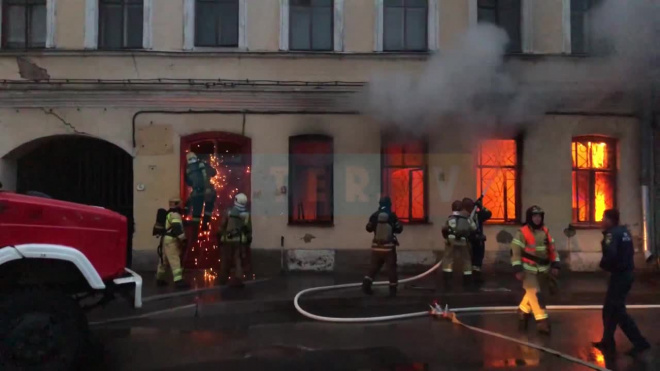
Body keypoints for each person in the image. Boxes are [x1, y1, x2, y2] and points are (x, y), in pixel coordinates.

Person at [593, 209, 650, 357]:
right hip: (626, 274)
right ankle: (607, 341)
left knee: (618, 311)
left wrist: (603, 266)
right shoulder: (624, 232)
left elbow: (611, 255)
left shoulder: (611, 234)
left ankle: (640, 342)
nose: (601, 221)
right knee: (609, 309)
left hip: (619, 275)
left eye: (603, 218)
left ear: (610, 220)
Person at [510, 206, 560, 334]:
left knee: (532, 294)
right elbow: (515, 252)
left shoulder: (545, 231)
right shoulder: (522, 232)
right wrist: (517, 269)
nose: (537, 219)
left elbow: (552, 249)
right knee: (536, 295)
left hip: (543, 270)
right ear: (529, 218)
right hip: (528, 270)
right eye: (534, 216)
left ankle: (523, 310)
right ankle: (542, 322)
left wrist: (555, 265)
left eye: (539, 216)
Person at [362, 196, 403, 297]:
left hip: (376, 247)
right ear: (389, 204)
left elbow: (368, 228)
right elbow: (399, 229)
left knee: (373, 267)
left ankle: (366, 285)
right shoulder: (392, 216)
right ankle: (392, 291)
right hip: (388, 248)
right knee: (391, 268)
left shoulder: (374, 216)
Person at [218, 193, 252, 287]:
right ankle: (238, 279)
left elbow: (222, 225)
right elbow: (248, 229)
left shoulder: (228, 212)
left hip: (227, 240)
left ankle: (223, 279)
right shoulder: (246, 214)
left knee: (225, 260)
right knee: (238, 260)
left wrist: (219, 234)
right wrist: (248, 239)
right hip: (240, 241)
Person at [441, 200, 477, 291]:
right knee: (466, 260)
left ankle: (448, 281)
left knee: (448, 260)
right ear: (461, 208)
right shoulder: (467, 218)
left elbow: (444, 229)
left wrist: (446, 238)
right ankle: (467, 280)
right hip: (464, 241)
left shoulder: (450, 218)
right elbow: (474, 228)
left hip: (451, 240)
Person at [156, 197, 190, 290]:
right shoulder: (175, 215)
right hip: (171, 240)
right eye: (179, 203)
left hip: (165, 239)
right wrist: (183, 239)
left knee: (163, 260)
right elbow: (177, 228)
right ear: (176, 204)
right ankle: (178, 281)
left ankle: (159, 279)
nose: (181, 205)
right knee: (175, 259)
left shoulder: (169, 213)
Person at [462, 197, 492, 285]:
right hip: (468, 241)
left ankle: (476, 277)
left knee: (477, 260)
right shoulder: (463, 217)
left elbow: (489, 214)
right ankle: (468, 278)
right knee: (469, 259)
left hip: (478, 241)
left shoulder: (478, 215)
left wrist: (481, 207)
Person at [184, 152, 217, 229]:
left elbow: (189, 182)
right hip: (208, 191)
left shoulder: (187, 169)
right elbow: (214, 172)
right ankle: (205, 226)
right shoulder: (203, 165)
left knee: (196, 214)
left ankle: (195, 232)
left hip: (196, 193)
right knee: (208, 210)